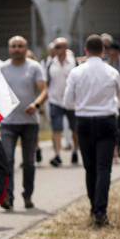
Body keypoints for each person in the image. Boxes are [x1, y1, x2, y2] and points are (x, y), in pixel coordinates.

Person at [62, 35, 120, 226]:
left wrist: (83, 105)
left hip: (84, 122)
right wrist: (111, 103)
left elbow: (67, 103)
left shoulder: (76, 73)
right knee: (103, 168)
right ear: (103, 51)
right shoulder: (112, 72)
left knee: (90, 168)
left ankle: (94, 208)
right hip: (106, 121)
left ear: (85, 50)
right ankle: (101, 210)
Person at [0, 36, 47, 209]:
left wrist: (36, 104)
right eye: (13, 46)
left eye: (20, 46)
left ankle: (27, 194)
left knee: (28, 161)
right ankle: (8, 197)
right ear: (9, 48)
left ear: (26, 48)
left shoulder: (34, 67)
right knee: (8, 159)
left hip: (29, 122)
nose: (17, 49)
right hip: (8, 122)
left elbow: (43, 90)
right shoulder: (2, 68)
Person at [44, 36, 78, 167]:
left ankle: (75, 150)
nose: (56, 50)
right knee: (56, 129)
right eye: (55, 47)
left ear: (65, 48)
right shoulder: (50, 64)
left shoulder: (73, 62)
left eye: (58, 47)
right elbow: (46, 82)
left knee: (74, 128)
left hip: (71, 102)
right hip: (55, 101)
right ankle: (57, 155)